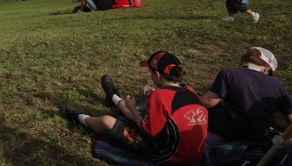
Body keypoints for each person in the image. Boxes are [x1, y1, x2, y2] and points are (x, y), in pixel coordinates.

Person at [59, 51, 208, 164]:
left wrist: (132, 107)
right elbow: (173, 108)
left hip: (168, 157)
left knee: (106, 120)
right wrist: (152, 97)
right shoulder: (190, 90)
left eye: (150, 72)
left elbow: (147, 131)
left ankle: (79, 118)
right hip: (195, 154)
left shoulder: (160, 97)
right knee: (135, 113)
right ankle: (113, 97)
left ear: (157, 74)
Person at [199, 47, 292, 144]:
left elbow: (209, 102)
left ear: (244, 61)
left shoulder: (229, 73)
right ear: (267, 69)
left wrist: (189, 96)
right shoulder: (278, 85)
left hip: (226, 133)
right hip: (258, 137)